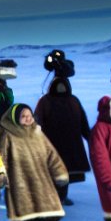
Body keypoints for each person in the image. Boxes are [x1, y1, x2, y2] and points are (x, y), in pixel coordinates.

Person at [0, 104, 67, 221]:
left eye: (29, 115)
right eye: (23, 116)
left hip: (41, 179)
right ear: (15, 118)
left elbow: (51, 153)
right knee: (23, 215)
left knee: (53, 213)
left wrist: (59, 172)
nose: (28, 119)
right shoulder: (8, 135)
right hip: (18, 181)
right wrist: (1, 175)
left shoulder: (37, 132)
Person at [33, 77, 91, 206]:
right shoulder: (45, 101)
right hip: (52, 143)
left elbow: (83, 120)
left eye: (63, 86)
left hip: (71, 143)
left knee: (66, 173)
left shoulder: (73, 100)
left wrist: (90, 137)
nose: (61, 88)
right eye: (58, 86)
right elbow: (37, 120)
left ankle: (62, 197)